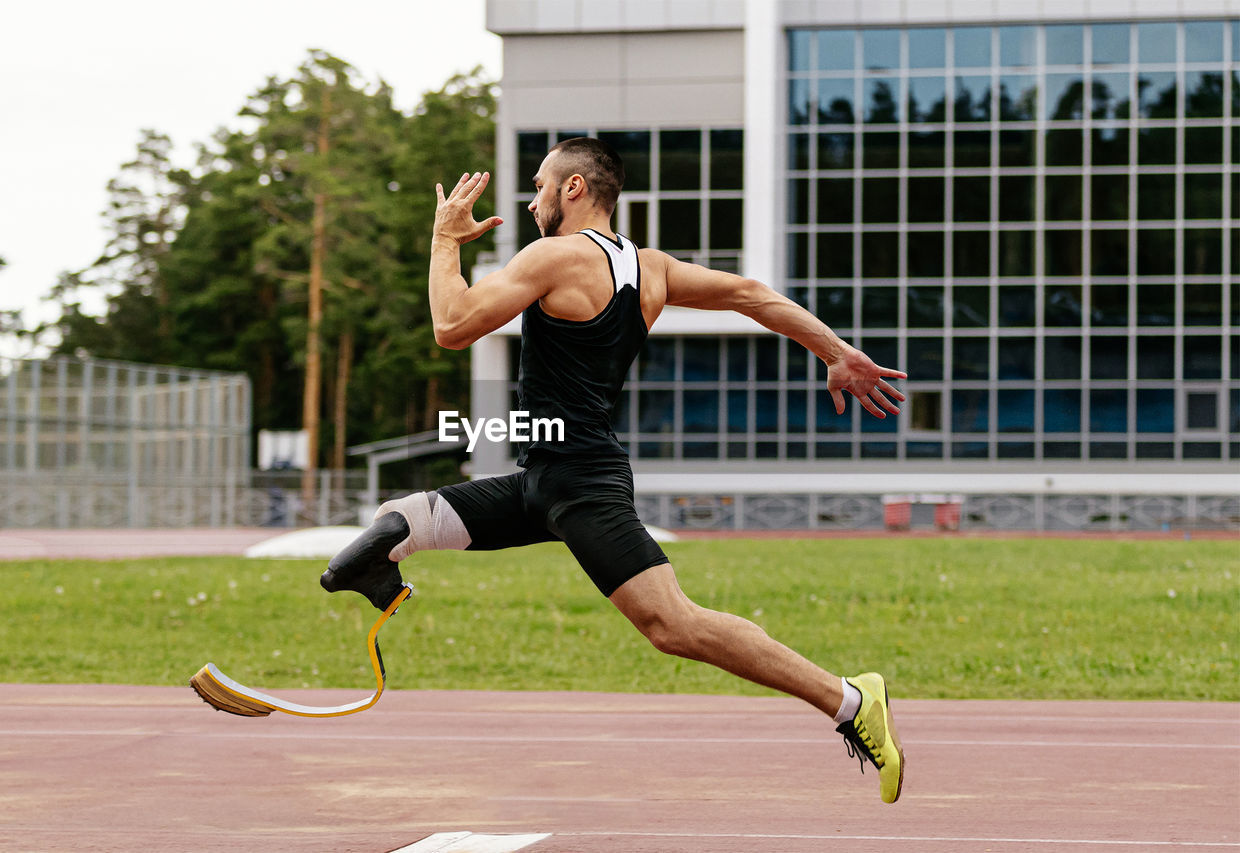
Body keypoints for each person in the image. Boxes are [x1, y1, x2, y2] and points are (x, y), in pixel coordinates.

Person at [322, 137, 907, 803]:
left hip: (582, 483)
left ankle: (851, 698)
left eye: (541, 184)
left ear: (575, 188)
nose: (534, 197)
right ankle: (374, 571)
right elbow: (748, 292)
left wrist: (443, 240)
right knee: (399, 522)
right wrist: (834, 349)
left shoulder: (556, 255)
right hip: (542, 477)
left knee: (673, 624)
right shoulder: (650, 268)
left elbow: (452, 325)